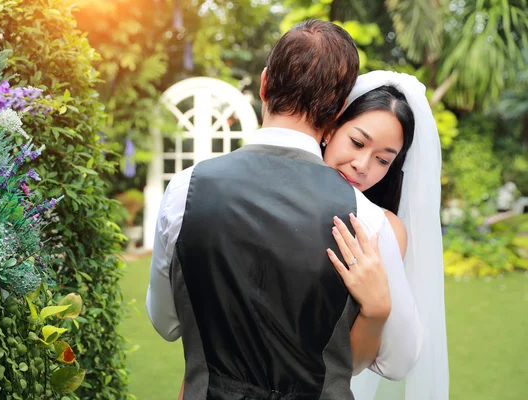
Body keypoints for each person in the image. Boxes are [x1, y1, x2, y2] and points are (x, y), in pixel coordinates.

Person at [146, 21, 423, 399]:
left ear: (263, 84)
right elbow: (398, 361)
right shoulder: (368, 223)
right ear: (339, 110)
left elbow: (166, 322)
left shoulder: (185, 189)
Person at [323, 71, 448, 400]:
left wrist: (375, 309)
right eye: (357, 142)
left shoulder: (385, 231)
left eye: (382, 160)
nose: (362, 165)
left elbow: (373, 363)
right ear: (332, 127)